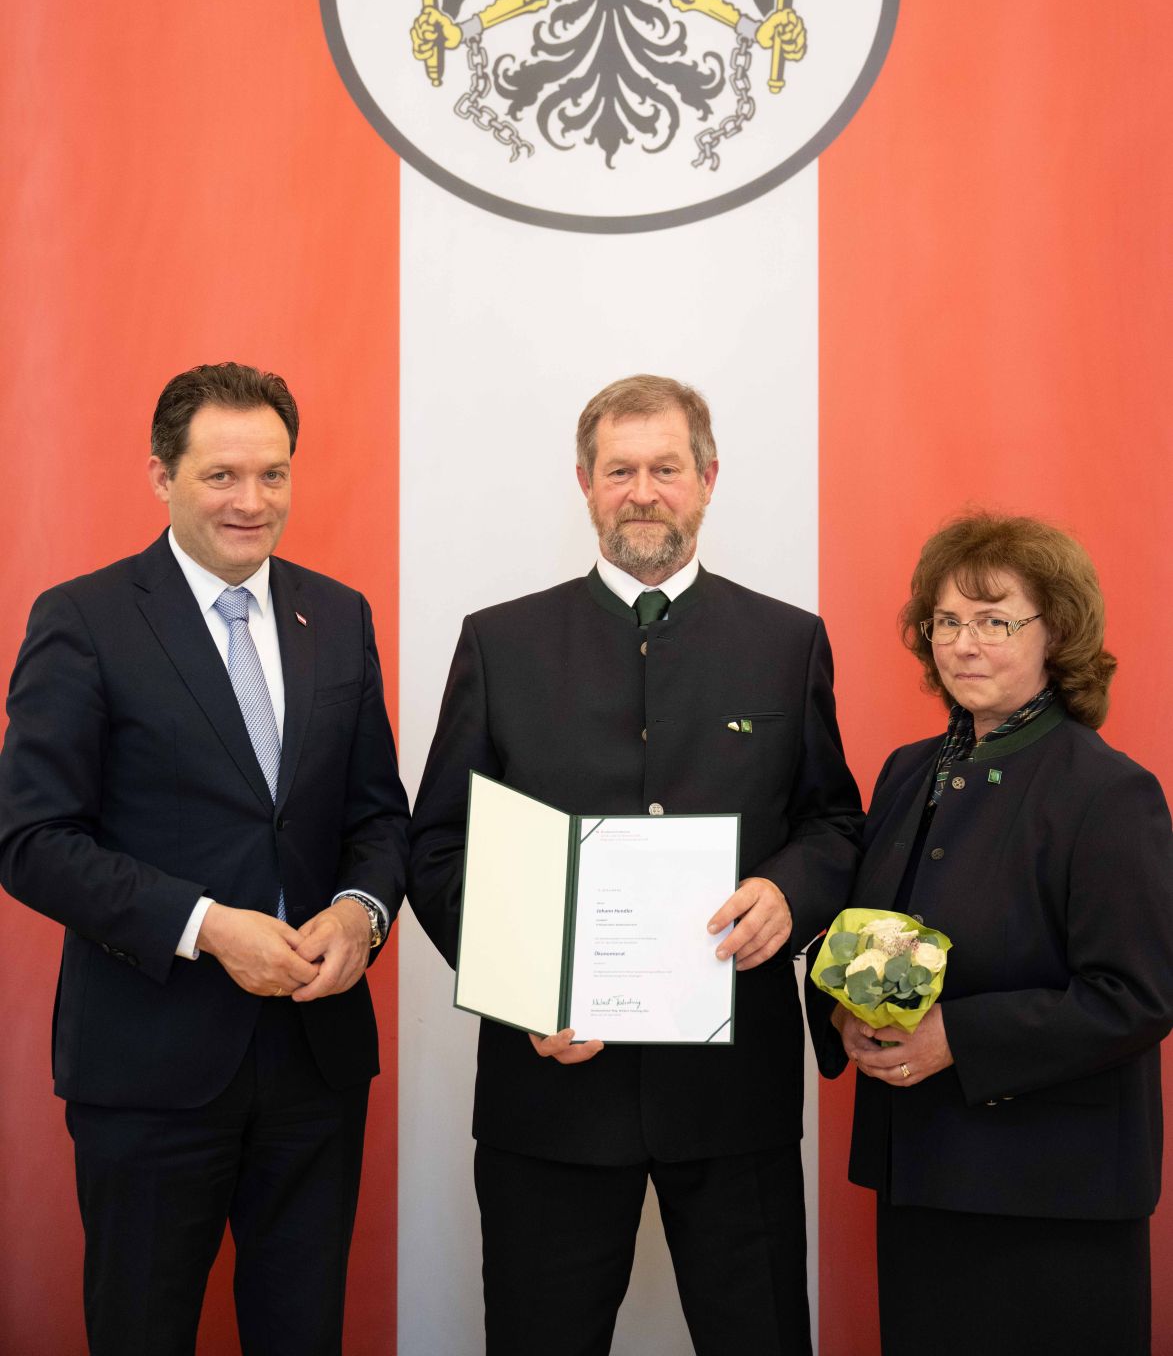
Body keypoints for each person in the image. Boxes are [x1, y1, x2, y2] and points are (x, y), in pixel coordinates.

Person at [409, 373, 863, 1356]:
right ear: (583, 482)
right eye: (620, 469)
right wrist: (525, 985)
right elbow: (439, 846)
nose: (643, 490)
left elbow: (834, 822)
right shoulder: (501, 642)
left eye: (666, 468)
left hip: (734, 1095)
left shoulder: (788, 642)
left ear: (707, 480)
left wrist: (790, 890)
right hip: (552, 1094)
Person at [0, 362, 410, 1356]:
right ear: (161, 474)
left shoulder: (338, 615)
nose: (252, 500)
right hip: (149, 1063)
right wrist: (206, 927)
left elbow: (380, 816)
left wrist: (362, 910)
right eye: (222, 474)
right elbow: (31, 837)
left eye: (273, 474)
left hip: (315, 1064)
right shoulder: (86, 618)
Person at [811, 511, 1173, 1356]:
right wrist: (840, 1011)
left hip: (1050, 1193)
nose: (963, 644)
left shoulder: (1108, 791)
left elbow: (1136, 997)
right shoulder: (908, 770)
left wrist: (955, 1040)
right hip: (921, 1172)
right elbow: (864, 932)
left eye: (994, 620)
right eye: (945, 621)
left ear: (1058, 634)